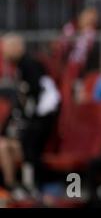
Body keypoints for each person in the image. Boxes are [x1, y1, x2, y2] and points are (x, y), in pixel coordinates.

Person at [0, 34, 60, 199]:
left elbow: (36, 93)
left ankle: (33, 187)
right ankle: (16, 185)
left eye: (6, 48)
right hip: (37, 113)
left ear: (18, 47)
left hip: (44, 113)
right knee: (16, 146)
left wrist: (28, 117)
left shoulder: (29, 64)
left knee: (30, 148)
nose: (3, 52)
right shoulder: (21, 66)